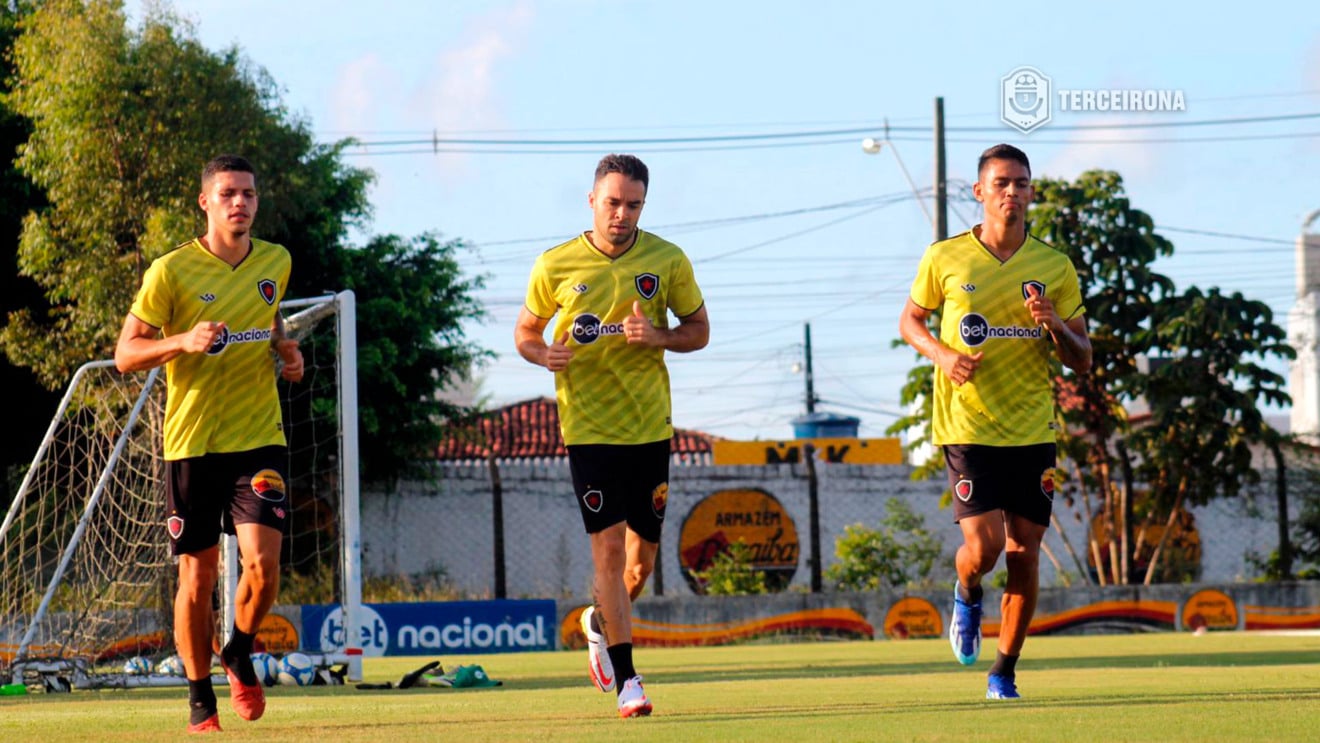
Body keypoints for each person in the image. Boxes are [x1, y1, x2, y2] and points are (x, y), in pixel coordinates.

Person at [515, 154, 709, 718]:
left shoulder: (666, 260)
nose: (621, 214)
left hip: (648, 428)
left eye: (633, 205)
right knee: (605, 547)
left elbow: (699, 331)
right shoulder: (555, 264)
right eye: (613, 203)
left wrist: (659, 336)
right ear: (591, 200)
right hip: (589, 430)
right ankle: (630, 682)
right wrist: (541, 353)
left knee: (639, 565)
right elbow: (526, 332)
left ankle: (598, 624)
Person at [115, 155, 303, 733]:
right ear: (206, 202)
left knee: (265, 568)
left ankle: (239, 648)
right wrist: (182, 341)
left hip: (257, 438)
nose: (239, 203)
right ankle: (200, 696)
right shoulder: (171, 272)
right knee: (197, 580)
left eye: (248, 193)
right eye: (227, 194)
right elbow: (126, 354)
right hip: (192, 444)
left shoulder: (276, 261)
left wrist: (286, 350)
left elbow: (269, 322)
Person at [898, 143, 1091, 700]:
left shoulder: (1054, 267)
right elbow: (911, 320)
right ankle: (965, 590)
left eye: (1022, 183)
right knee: (983, 549)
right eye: (1002, 182)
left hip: (1032, 428)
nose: (1012, 192)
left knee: (1025, 551)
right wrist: (942, 354)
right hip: (968, 426)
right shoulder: (946, 258)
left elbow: (1082, 358)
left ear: (1032, 192)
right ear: (979, 192)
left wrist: (1054, 324)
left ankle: (1003, 670)